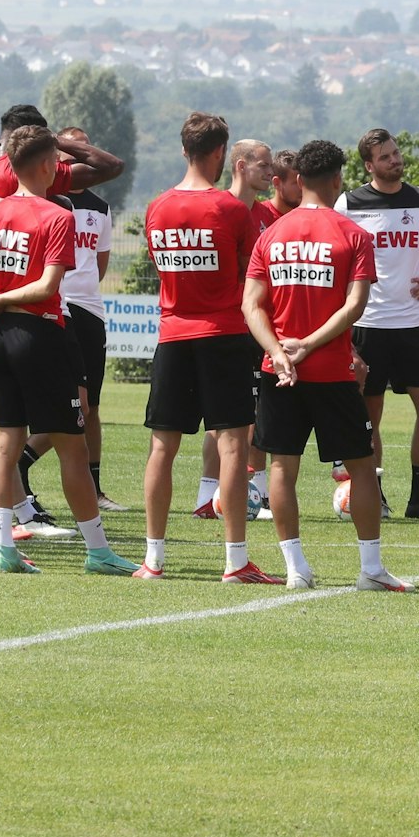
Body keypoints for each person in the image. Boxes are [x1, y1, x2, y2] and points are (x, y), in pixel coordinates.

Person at [0, 125, 137, 576]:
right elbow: (50, 286)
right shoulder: (56, 215)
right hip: (41, 336)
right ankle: (98, 552)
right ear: (49, 165)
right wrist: (6, 301)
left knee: (6, 442)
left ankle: (2, 547)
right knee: (72, 444)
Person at [243, 139, 407, 592]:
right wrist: (308, 345)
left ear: (298, 180)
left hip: (280, 372)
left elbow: (251, 306)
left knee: (281, 467)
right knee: (361, 465)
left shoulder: (270, 234)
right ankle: (371, 570)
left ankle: (296, 568)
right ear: (338, 181)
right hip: (332, 371)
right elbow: (355, 307)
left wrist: (279, 352)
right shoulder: (353, 235)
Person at [134, 113, 275, 584]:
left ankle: (153, 559)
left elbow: (161, 267)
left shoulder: (157, 207)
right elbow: (250, 275)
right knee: (234, 446)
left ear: (183, 151)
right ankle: (235, 561)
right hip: (223, 336)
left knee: (162, 446)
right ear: (220, 154)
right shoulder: (232, 211)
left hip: (172, 336)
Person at [336, 129, 419, 520]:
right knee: (369, 415)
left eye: (395, 153)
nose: (394, 160)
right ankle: (373, 494)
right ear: (369, 165)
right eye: (385, 157)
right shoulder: (349, 203)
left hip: (412, 326)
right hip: (368, 325)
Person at [18, 128, 120, 514]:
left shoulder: (99, 205)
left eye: (83, 146)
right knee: (68, 405)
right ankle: (17, 466)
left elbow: (99, 263)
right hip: (56, 305)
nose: (77, 157)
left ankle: (93, 489)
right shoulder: (42, 199)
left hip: (88, 309)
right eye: (67, 147)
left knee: (90, 406)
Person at [192, 139, 278, 519]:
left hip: (256, 327)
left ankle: (250, 493)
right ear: (240, 165)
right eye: (263, 165)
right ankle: (206, 497)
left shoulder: (269, 219)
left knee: (251, 414)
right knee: (219, 418)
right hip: (218, 327)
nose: (271, 172)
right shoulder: (214, 208)